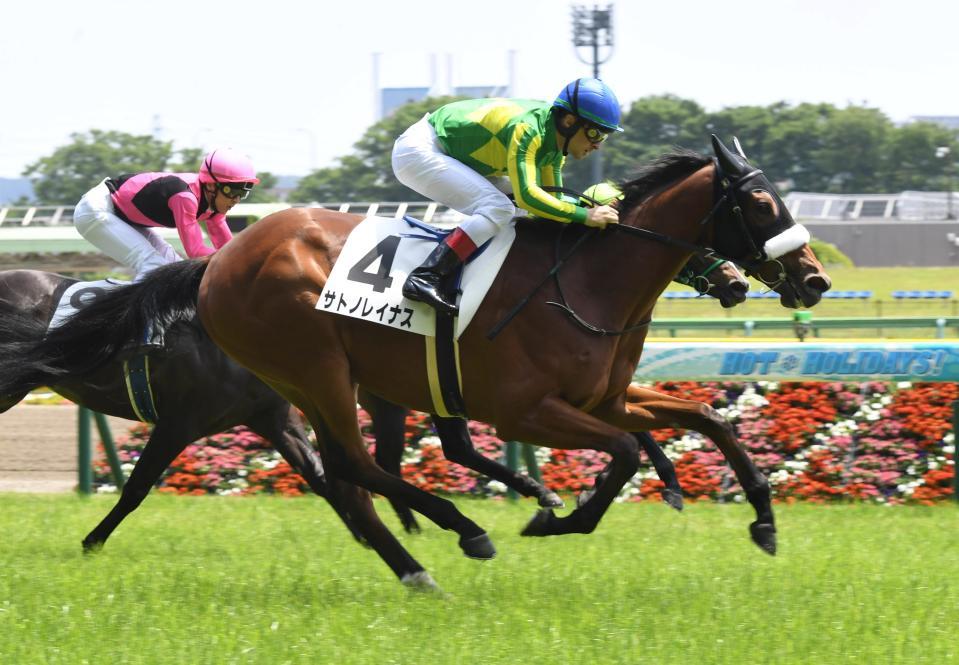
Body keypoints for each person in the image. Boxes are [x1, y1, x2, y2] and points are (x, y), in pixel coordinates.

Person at [391, 77, 623, 315]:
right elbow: (528, 197)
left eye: (604, 137)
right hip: (419, 150)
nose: (598, 145)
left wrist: (587, 207)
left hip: (456, 157)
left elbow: (551, 201)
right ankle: (426, 276)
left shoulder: (554, 148)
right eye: (595, 133)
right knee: (499, 208)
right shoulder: (529, 130)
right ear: (569, 121)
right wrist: (585, 215)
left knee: (522, 213)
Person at [73, 148, 259, 280]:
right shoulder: (185, 197)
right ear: (211, 184)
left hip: (125, 218)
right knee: (153, 265)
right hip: (96, 210)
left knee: (173, 267)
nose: (236, 199)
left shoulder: (213, 204)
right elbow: (195, 251)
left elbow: (228, 249)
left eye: (243, 193)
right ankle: (137, 331)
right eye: (232, 191)